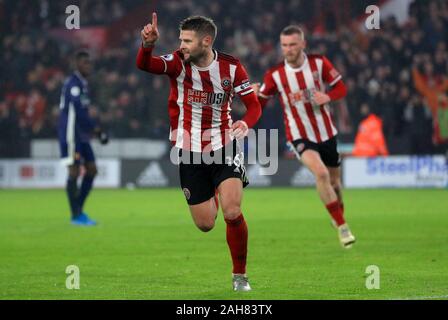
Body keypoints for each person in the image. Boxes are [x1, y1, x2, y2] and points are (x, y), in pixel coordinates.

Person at [136, 13, 261, 291]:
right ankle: (216, 189)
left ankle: (239, 276)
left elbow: (254, 106)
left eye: (187, 40)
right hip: (190, 151)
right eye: (181, 39)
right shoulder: (177, 62)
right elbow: (146, 65)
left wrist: (244, 122)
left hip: (223, 144)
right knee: (206, 224)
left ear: (206, 41)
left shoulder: (232, 68)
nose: (182, 45)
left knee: (231, 211)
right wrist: (147, 45)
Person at [252, 26, 355, 248]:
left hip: (326, 132)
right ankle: (343, 226)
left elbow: (342, 88)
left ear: (303, 44)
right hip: (299, 135)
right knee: (321, 174)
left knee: (335, 183)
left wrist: (327, 96)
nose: (288, 49)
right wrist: (252, 96)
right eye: (284, 45)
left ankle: (337, 216)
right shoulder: (275, 75)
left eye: (292, 45)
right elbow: (259, 106)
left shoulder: (320, 64)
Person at [58, 51, 109, 226]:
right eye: (85, 63)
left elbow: (84, 112)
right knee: (73, 171)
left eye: (90, 63)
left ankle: (78, 209)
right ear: (77, 64)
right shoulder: (73, 84)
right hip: (71, 133)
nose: (89, 66)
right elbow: (78, 112)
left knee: (92, 169)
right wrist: (96, 129)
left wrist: (95, 130)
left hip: (82, 135)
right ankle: (76, 215)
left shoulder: (82, 84)